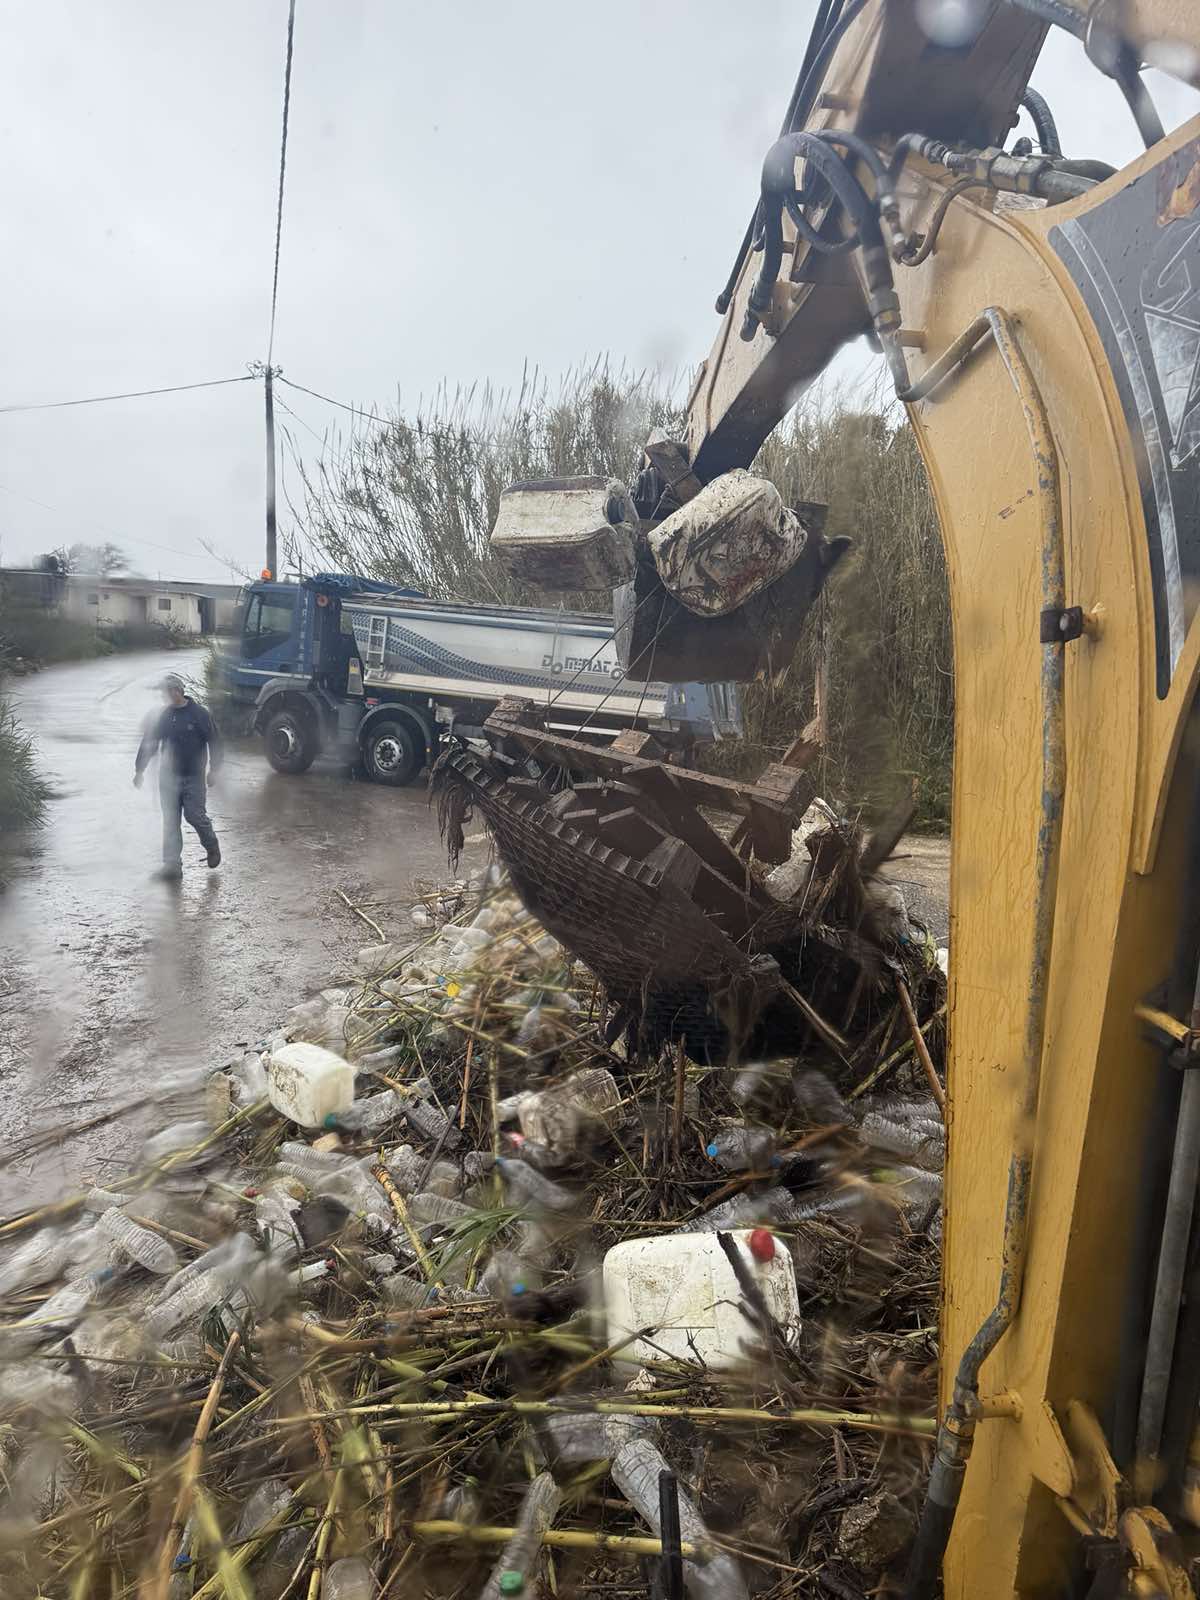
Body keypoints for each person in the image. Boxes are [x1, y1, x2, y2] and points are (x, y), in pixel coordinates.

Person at [134, 674, 222, 879]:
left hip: (194, 777)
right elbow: (150, 743)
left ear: (179, 691)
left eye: (170, 691)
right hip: (168, 778)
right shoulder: (164, 717)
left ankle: (211, 845)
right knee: (171, 821)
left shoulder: (200, 714)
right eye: (164, 692)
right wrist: (139, 770)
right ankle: (172, 866)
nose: (167, 696)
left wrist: (215, 769)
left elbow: (215, 741)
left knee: (194, 816)